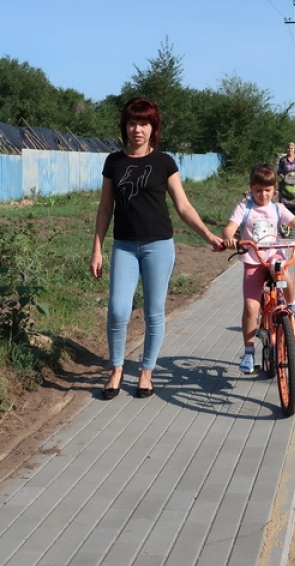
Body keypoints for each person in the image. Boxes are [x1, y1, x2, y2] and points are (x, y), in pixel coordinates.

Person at [91, 98, 225, 400]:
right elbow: (104, 208)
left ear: (154, 128)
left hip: (159, 247)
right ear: (124, 127)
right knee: (118, 310)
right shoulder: (114, 162)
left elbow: (183, 206)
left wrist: (208, 236)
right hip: (124, 246)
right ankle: (116, 369)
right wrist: (97, 249)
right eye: (132, 123)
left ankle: (146, 373)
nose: (137, 129)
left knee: (153, 312)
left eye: (144, 123)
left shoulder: (164, 162)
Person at [222, 163, 295, 373]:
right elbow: (230, 228)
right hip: (253, 262)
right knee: (251, 307)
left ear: (275, 191)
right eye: (258, 190)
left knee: (284, 270)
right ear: (250, 189)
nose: (262, 195)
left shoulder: (278, 208)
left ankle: (293, 305)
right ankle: (249, 351)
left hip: (274, 258)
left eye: (267, 190)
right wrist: (228, 239)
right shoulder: (244, 208)